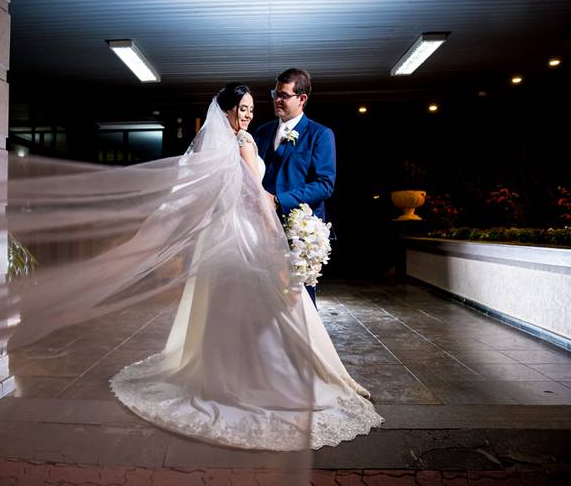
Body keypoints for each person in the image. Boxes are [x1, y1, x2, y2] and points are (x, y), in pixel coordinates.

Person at [109, 84, 383, 451]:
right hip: (252, 233)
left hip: (231, 235)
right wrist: (276, 243)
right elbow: (257, 197)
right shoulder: (248, 141)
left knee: (246, 308)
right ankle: (271, 380)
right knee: (273, 310)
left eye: (255, 106)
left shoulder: (243, 139)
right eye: (245, 106)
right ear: (228, 110)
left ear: (302, 98)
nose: (252, 112)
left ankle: (225, 374)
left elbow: (318, 183)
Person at [253, 68, 336, 306]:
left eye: (284, 95)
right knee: (264, 296)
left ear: (302, 99)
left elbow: (324, 185)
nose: (277, 100)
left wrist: (278, 200)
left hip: (299, 231)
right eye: (275, 93)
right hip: (262, 227)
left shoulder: (320, 135)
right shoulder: (262, 132)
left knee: (298, 300)